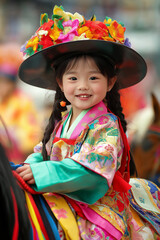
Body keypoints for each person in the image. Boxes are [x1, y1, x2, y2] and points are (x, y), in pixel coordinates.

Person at [16, 5, 153, 239]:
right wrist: (26, 168)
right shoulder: (63, 120)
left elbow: (93, 172)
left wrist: (43, 173)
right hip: (63, 196)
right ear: (60, 82)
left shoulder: (106, 124)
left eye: (93, 78)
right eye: (73, 78)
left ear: (110, 83)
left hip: (97, 206)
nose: (82, 86)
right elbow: (44, 152)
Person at [0, 43, 42, 163]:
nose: (2, 87)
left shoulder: (23, 102)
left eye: (6, 83)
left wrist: (9, 138)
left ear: (13, 84)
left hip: (13, 156)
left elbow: (31, 135)